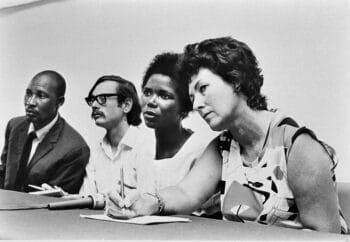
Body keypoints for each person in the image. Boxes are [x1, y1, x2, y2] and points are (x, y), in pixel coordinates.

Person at [106, 37, 348, 234]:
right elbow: (186, 193)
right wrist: (147, 202)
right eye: (192, 97)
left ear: (236, 81)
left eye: (203, 89)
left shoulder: (298, 147)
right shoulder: (223, 146)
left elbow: (325, 236)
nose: (197, 104)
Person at [108, 52, 220, 217]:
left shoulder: (202, 151)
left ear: (185, 105)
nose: (151, 102)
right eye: (147, 93)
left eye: (164, 95)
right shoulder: (141, 148)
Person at [0, 70, 90, 194]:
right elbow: (4, 173)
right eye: (28, 93)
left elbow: (57, 203)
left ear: (60, 102)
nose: (30, 102)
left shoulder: (75, 149)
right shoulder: (14, 125)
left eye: (41, 96)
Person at [76, 75, 153, 204]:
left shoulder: (147, 145)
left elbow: (148, 201)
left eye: (102, 99)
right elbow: (89, 198)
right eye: (92, 100)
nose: (94, 105)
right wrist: (69, 198)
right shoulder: (97, 149)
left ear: (126, 105)